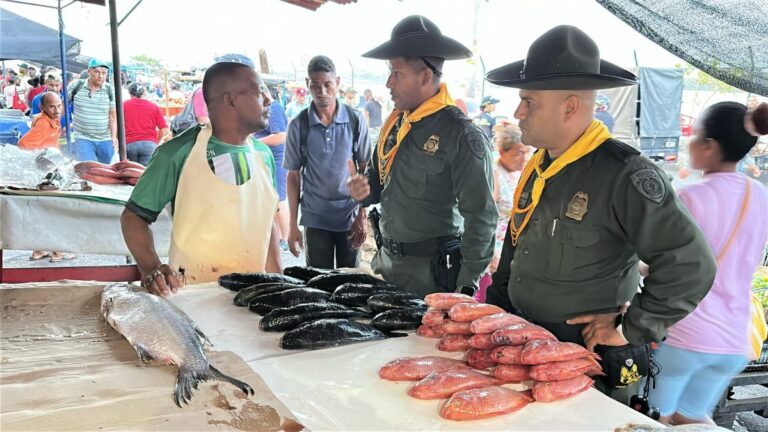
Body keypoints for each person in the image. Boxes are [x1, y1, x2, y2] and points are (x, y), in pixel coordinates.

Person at [482, 25, 716, 403]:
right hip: (524, 344)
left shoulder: (624, 173)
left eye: (530, 102)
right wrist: (497, 309)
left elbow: (691, 263)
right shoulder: (540, 165)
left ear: (570, 107)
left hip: (588, 359)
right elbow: (517, 239)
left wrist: (629, 327)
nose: (518, 112)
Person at [347, 15, 496, 297]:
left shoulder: (461, 135)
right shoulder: (395, 125)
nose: (389, 83)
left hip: (434, 279)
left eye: (397, 74)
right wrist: (362, 192)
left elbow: (482, 218)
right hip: (388, 267)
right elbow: (377, 188)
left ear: (425, 76)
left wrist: (464, 287)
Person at [647, 102, 768, 426]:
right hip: (732, 341)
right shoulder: (759, 194)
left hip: (688, 334)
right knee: (693, 419)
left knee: (654, 419)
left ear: (710, 146)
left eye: (695, 134)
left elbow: (662, 262)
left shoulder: (690, 196)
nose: (690, 141)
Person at [121, 60, 282, 296]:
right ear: (230, 100)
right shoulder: (176, 153)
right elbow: (133, 217)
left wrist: (278, 281)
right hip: (192, 294)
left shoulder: (263, 155)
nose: (269, 100)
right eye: (260, 92)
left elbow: (268, 222)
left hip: (251, 294)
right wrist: (151, 267)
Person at [284, 56, 371, 269]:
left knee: (349, 283)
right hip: (315, 219)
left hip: (349, 218)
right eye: (315, 85)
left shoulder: (355, 120)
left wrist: (361, 215)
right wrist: (292, 225)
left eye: (327, 85)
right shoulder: (299, 125)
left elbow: (365, 170)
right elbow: (293, 176)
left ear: (337, 82)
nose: (321, 92)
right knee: (317, 284)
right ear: (307, 84)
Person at [19, 92, 76, 263]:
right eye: (52, 106)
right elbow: (23, 144)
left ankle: (39, 249)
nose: (57, 109)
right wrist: (43, 157)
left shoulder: (46, 120)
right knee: (55, 211)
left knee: (42, 211)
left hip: (45, 173)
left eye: (59, 106)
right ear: (42, 107)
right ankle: (58, 251)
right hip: (46, 174)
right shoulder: (44, 123)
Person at [477, 121, 530, 301]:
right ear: (502, 152)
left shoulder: (521, 174)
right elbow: (483, 218)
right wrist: (490, 255)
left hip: (513, 250)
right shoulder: (494, 174)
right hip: (495, 250)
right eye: (518, 153)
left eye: (526, 152)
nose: (523, 158)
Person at [253, 88, 290, 251]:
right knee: (272, 199)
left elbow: (280, 136)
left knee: (279, 199)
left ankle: (285, 238)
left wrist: (253, 142)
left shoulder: (273, 108)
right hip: (267, 160)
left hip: (277, 159)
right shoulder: (264, 109)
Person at [68, 59, 117, 163]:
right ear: (89, 71)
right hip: (83, 138)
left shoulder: (110, 90)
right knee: (89, 169)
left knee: (107, 171)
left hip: (105, 139)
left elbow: (113, 116)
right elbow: (62, 106)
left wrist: (113, 137)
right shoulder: (76, 86)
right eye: (97, 72)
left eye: (104, 73)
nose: (101, 76)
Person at [123, 82, 169, 165]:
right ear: (144, 92)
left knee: (131, 172)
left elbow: (117, 124)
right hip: (149, 144)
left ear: (130, 93)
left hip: (129, 144)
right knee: (145, 173)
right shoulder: (154, 106)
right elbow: (163, 128)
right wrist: (156, 142)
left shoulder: (123, 105)